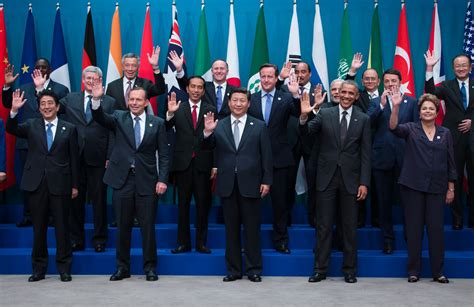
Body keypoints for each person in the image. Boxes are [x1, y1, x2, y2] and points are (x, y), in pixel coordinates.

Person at [91, 86, 169, 282]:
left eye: (138, 99)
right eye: (131, 99)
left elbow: (165, 156)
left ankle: (150, 268)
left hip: (147, 181)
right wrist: (96, 100)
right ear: (127, 101)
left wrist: (162, 180)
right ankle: (122, 268)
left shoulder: (157, 123)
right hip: (122, 180)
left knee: (147, 228)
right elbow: (100, 117)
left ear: (145, 102)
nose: (134, 103)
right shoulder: (118, 117)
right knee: (122, 227)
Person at [301, 80, 371, 284]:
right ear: (337, 94)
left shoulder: (364, 119)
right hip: (326, 179)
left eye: (351, 93)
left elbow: (366, 154)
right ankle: (319, 270)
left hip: (352, 181)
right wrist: (305, 115)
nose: (347, 96)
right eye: (344, 92)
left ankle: (349, 270)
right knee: (323, 226)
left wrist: (364, 183)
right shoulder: (325, 113)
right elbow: (307, 133)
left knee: (349, 227)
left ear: (357, 96)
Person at [6, 89, 79, 282]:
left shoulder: (69, 128)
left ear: (57, 106)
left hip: (61, 185)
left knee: (62, 228)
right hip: (36, 185)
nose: (46, 107)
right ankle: (39, 269)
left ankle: (64, 268)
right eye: (43, 104)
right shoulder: (31, 125)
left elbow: (74, 160)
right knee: (39, 229)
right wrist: (13, 111)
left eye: (50, 103)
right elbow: (11, 129)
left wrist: (74, 185)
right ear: (39, 108)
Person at [202, 88, 272, 282]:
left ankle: (254, 269)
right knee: (231, 230)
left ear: (248, 104)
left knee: (252, 230)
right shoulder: (220, 125)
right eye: (235, 100)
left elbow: (266, 156)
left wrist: (267, 181)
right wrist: (207, 133)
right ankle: (233, 270)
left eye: (242, 100)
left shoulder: (259, 126)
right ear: (229, 103)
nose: (238, 104)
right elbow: (207, 149)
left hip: (252, 185)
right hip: (227, 185)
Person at [389, 93, 456, 283]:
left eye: (431, 109)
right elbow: (393, 127)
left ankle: (438, 272)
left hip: (437, 188)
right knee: (414, 229)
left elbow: (451, 162)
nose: (427, 111)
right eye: (424, 108)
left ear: (436, 113)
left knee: (436, 231)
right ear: (419, 113)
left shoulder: (446, 133)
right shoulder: (410, 129)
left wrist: (451, 188)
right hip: (412, 186)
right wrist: (395, 107)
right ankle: (413, 271)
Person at [2, 59, 69, 227]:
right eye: (37, 67)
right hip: (27, 144)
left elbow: (64, 114)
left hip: (51, 144)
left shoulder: (61, 89)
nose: (40, 69)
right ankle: (28, 215)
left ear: (50, 69)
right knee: (29, 181)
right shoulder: (24, 88)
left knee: (52, 181)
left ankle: (53, 216)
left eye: (43, 67)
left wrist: (41, 90)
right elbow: (7, 104)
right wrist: (7, 86)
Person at [59, 66, 117, 253]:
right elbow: (47, 105)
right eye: (88, 78)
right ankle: (76, 239)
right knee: (75, 201)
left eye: (95, 78)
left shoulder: (109, 102)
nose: (91, 81)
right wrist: (40, 88)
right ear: (83, 80)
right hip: (74, 157)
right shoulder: (70, 99)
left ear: (100, 80)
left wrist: (109, 156)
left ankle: (100, 239)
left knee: (99, 201)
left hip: (99, 158)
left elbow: (113, 132)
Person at [248, 63, 300, 254]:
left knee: (280, 204)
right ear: (259, 78)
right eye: (263, 76)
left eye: (270, 76)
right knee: (251, 205)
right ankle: (251, 241)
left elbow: (298, 113)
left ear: (276, 78)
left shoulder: (286, 98)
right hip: (254, 160)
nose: (267, 80)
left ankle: (281, 240)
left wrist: (295, 95)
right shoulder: (250, 99)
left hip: (280, 159)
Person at [367, 69, 418, 254]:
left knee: (408, 204)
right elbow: (367, 124)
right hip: (382, 159)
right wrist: (380, 106)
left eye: (394, 81)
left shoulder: (411, 102)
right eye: (387, 81)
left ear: (400, 82)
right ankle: (387, 240)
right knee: (384, 203)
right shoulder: (375, 102)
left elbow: (416, 130)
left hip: (407, 159)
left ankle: (409, 239)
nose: (390, 84)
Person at [166, 76, 215, 254]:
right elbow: (165, 126)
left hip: (203, 165)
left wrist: (214, 165)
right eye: (193, 86)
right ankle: (183, 243)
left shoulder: (211, 109)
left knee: (203, 205)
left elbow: (214, 141)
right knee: (183, 206)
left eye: (199, 87)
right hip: (182, 165)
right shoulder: (177, 107)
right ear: (187, 89)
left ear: (203, 90)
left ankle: (201, 243)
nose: (196, 90)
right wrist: (170, 113)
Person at [425, 52, 474, 230]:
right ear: (453, 69)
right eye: (457, 66)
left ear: (470, 67)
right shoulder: (447, 85)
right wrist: (429, 68)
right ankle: (457, 218)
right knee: (456, 178)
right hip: (454, 139)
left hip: (473, 137)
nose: (461, 68)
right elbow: (430, 94)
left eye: (464, 65)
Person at [279, 61, 322, 228]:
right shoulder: (284, 90)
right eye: (297, 71)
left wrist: (316, 106)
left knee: (314, 181)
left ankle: (314, 218)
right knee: (287, 183)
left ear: (310, 74)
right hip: (289, 142)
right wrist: (282, 79)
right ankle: (286, 218)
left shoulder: (319, 91)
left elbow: (322, 116)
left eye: (304, 71)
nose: (300, 74)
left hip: (312, 141)